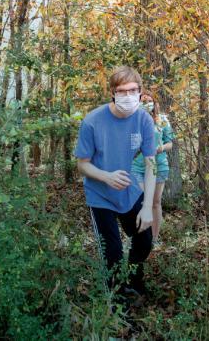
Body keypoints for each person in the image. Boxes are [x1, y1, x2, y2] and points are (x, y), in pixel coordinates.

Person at [75, 66, 157, 296]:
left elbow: (151, 164)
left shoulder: (143, 120)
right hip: (100, 195)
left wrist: (148, 207)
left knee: (144, 239)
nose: (129, 96)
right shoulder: (92, 121)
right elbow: (82, 164)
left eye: (133, 90)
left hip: (129, 190)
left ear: (141, 93)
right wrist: (106, 176)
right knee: (112, 250)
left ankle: (132, 279)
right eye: (122, 91)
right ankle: (116, 298)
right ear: (112, 92)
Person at [131, 90, 175, 244]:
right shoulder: (133, 119)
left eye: (149, 101)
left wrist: (160, 148)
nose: (146, 103)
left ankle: (154, 239)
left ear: (154, 103)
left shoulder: (162, 120)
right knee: (142, 201)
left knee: (155, 202)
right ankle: (141, 238)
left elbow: (170, 142)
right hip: (137, 166)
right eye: (143, 101)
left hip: (159, 165)